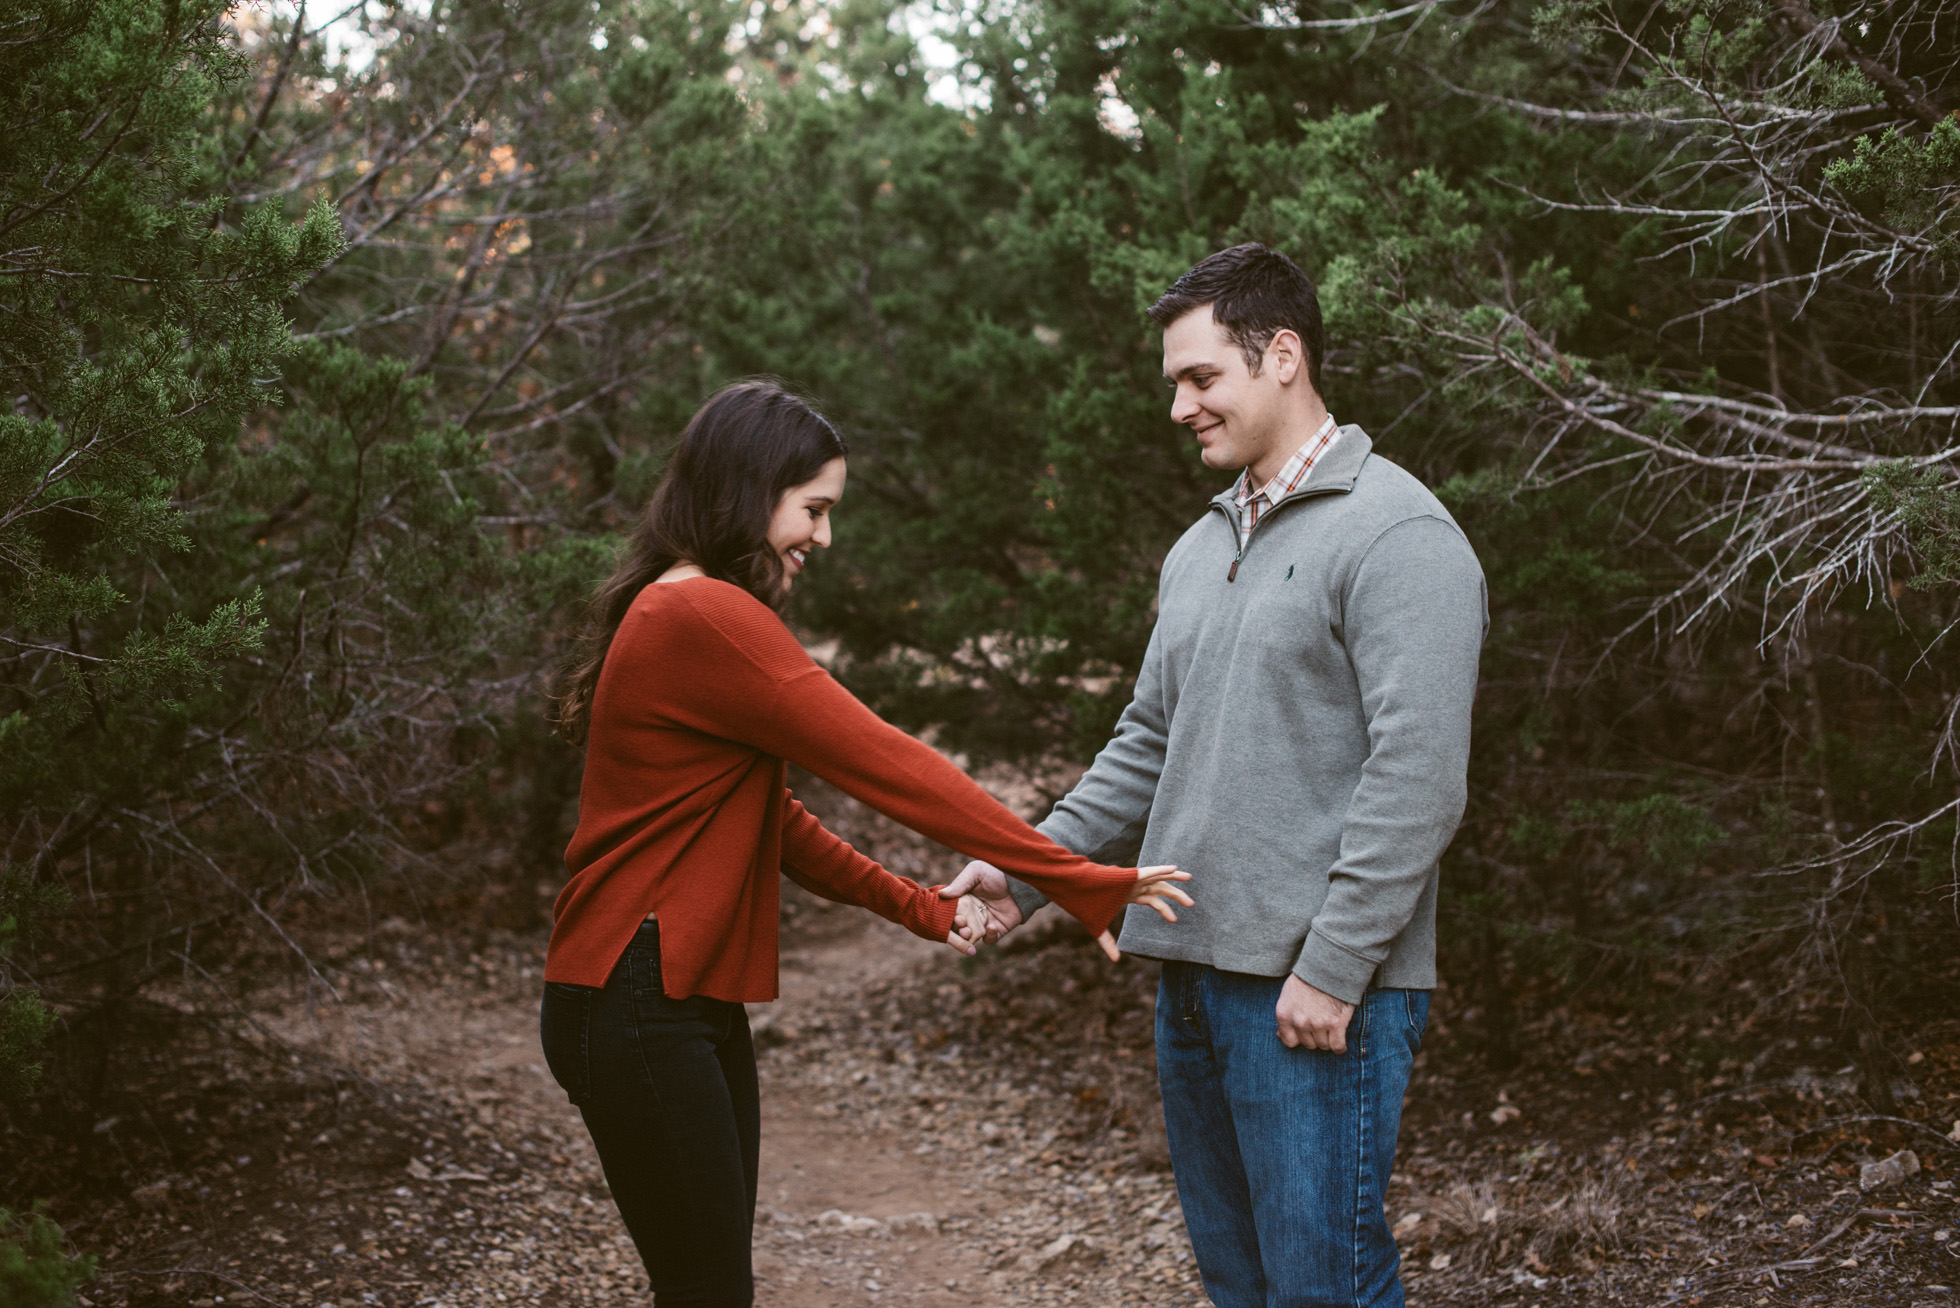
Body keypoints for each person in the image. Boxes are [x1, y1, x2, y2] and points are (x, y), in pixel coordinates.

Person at [539, 378, 1192, 1308]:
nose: (824, 538)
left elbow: (780, 828)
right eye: (813, 510)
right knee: (707, 1291)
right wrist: (1074, 877)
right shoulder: (703, 615)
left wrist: (924, 908)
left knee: (709, 1288)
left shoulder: (684, 607)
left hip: (666, 997)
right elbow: (889, 762)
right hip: (636, 992)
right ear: (748, 489)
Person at [945, 245, 1487, 1308]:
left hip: (1313, 992)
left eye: (1201, 379)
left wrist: (1333, 967)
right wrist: (1026, 869)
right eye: (1173, 386)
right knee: (1239, 1285)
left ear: (1281, 355)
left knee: (1321, 1284)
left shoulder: (1399, 533)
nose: (1181, 407)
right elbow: (1147, 739)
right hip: (1189, 976)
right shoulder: (1199, 548)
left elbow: (1419, 776)